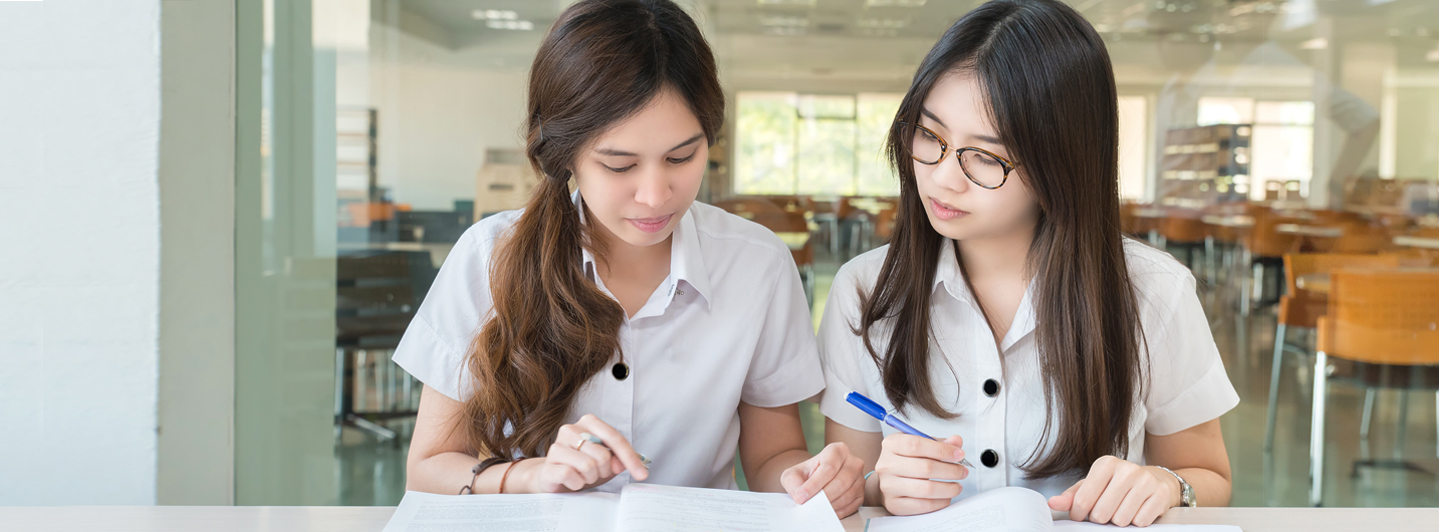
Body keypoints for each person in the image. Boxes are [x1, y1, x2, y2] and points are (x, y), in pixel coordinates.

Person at [393, 0, 864, 519]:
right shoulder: (490, 257)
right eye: (620, 165)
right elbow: (430, 467)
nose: (655, 194)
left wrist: (805, 479)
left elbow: (773, 454)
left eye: (682, 157)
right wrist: (532, 474)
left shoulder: (758, 264)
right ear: (564, 152)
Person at [817, 0, 1239, 527]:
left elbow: (1208, 476)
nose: (945, 177)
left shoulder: (1153, 290)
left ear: (1060, 164)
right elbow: (852, 484)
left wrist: (1165, 483)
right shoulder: (865, 289)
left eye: (986, 157)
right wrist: (880, 486)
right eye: (931, 136)